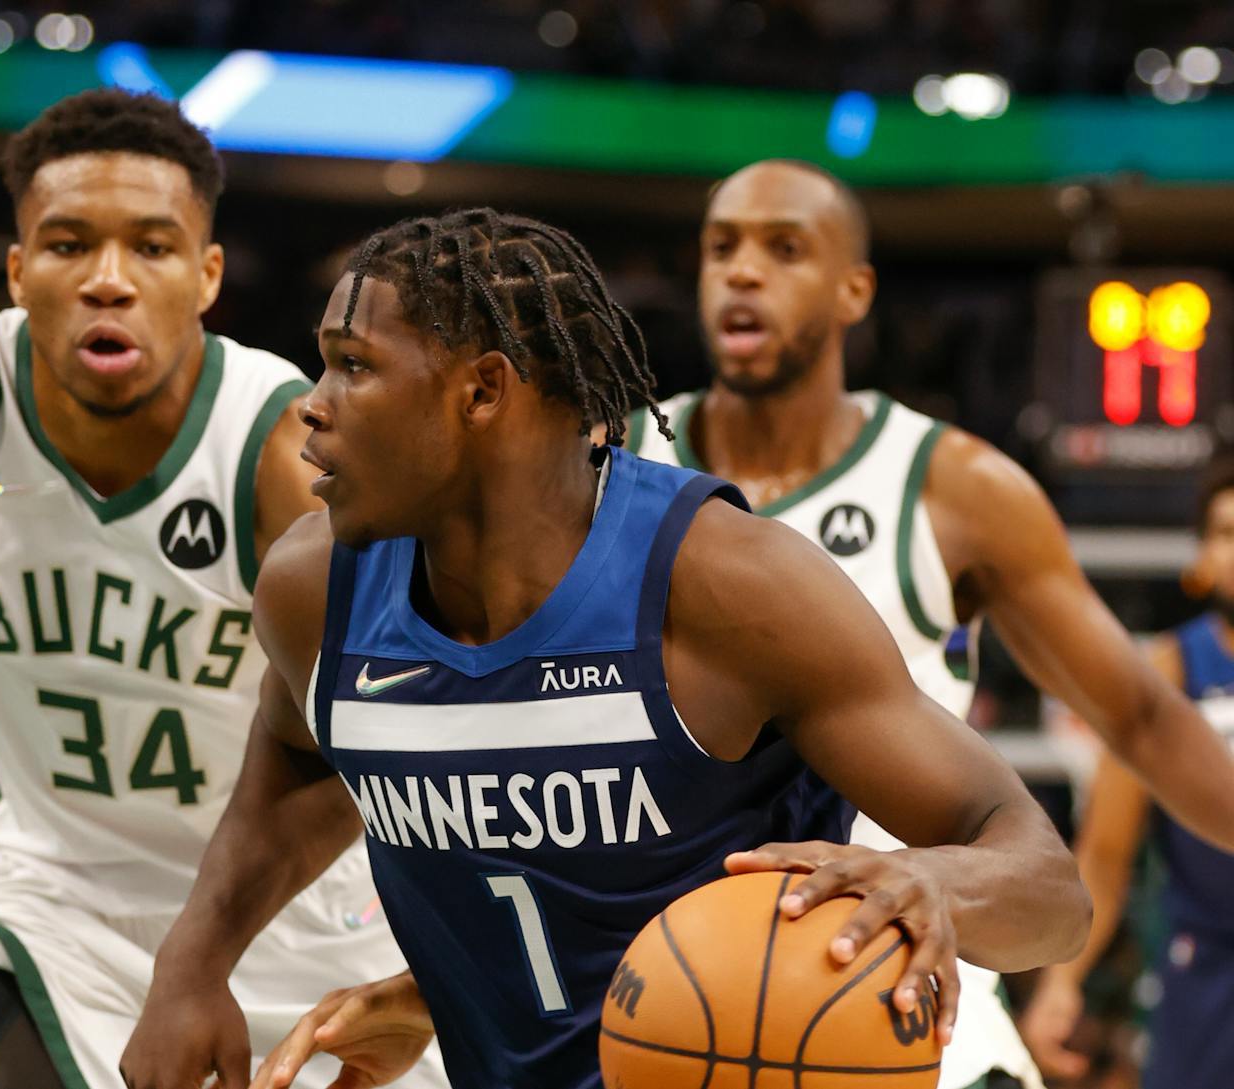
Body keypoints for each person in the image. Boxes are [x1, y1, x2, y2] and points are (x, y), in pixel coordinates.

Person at [127, 207, 1089, 1089]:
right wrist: (194, 962)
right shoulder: (313, 590)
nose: (314, 404)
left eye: (355, 365)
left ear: (482, 390)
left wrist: (938, 882)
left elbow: (1050, 889)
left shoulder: (727, 588)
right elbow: (297, 764)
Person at [0, 5, 445, 1088]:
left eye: (149, 246)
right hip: (55, 910)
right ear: (17, 273)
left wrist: (199, 960)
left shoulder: (286, 452)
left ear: (204, 277)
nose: (109, 276)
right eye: (69, 244)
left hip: (305, 926)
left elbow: (388, 736)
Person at [623, 158, 1234, 1089]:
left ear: (853, 288)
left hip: (895, 967)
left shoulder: (955, 487)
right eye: (721, 248)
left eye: (784, 249)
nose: (743, 271)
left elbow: (1141, 718)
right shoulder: (610, 469)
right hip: (660, 974)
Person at [1020, 456, 1234, 1089]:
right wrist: (1063, 981)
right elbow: (1107, 853)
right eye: (1225, 532)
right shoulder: (1168, 668)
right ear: (1201, 557)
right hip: (1204, 966)